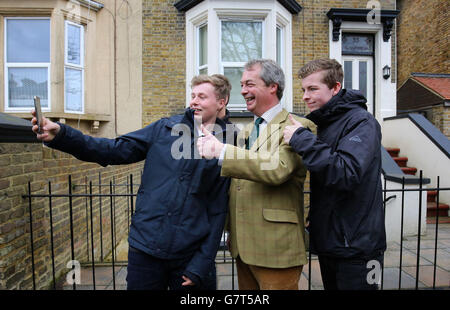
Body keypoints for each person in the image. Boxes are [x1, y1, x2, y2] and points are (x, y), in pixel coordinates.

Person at [31, 74, 233, 290]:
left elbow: (218, 210)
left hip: (189, 256)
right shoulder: (165, 128)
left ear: (221, 102)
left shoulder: (229, 143)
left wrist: (201, 265)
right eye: (193, 95)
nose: (194, 101)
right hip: (145, 249)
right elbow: (112, 149)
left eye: (202, 97)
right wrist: (62, 135)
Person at [198, 59, 316, 290]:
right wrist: (233, 228)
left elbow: (277, 169)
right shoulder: (248, 131)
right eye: (241, 85)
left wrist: (222, 151)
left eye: (249, 84)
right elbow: (239, 183)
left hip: (276, 248)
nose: (242, 90)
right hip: (243, 246)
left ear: (273, 86)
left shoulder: (299, 126)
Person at [283, 58, 386, 290]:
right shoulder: (325, 123)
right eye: (303, 90)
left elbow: (345, 172)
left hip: (360, 250)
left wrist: (301, 139)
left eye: (312, 89)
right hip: (333, 243)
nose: (305, 97)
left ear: (335, 88)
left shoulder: (362, 122)